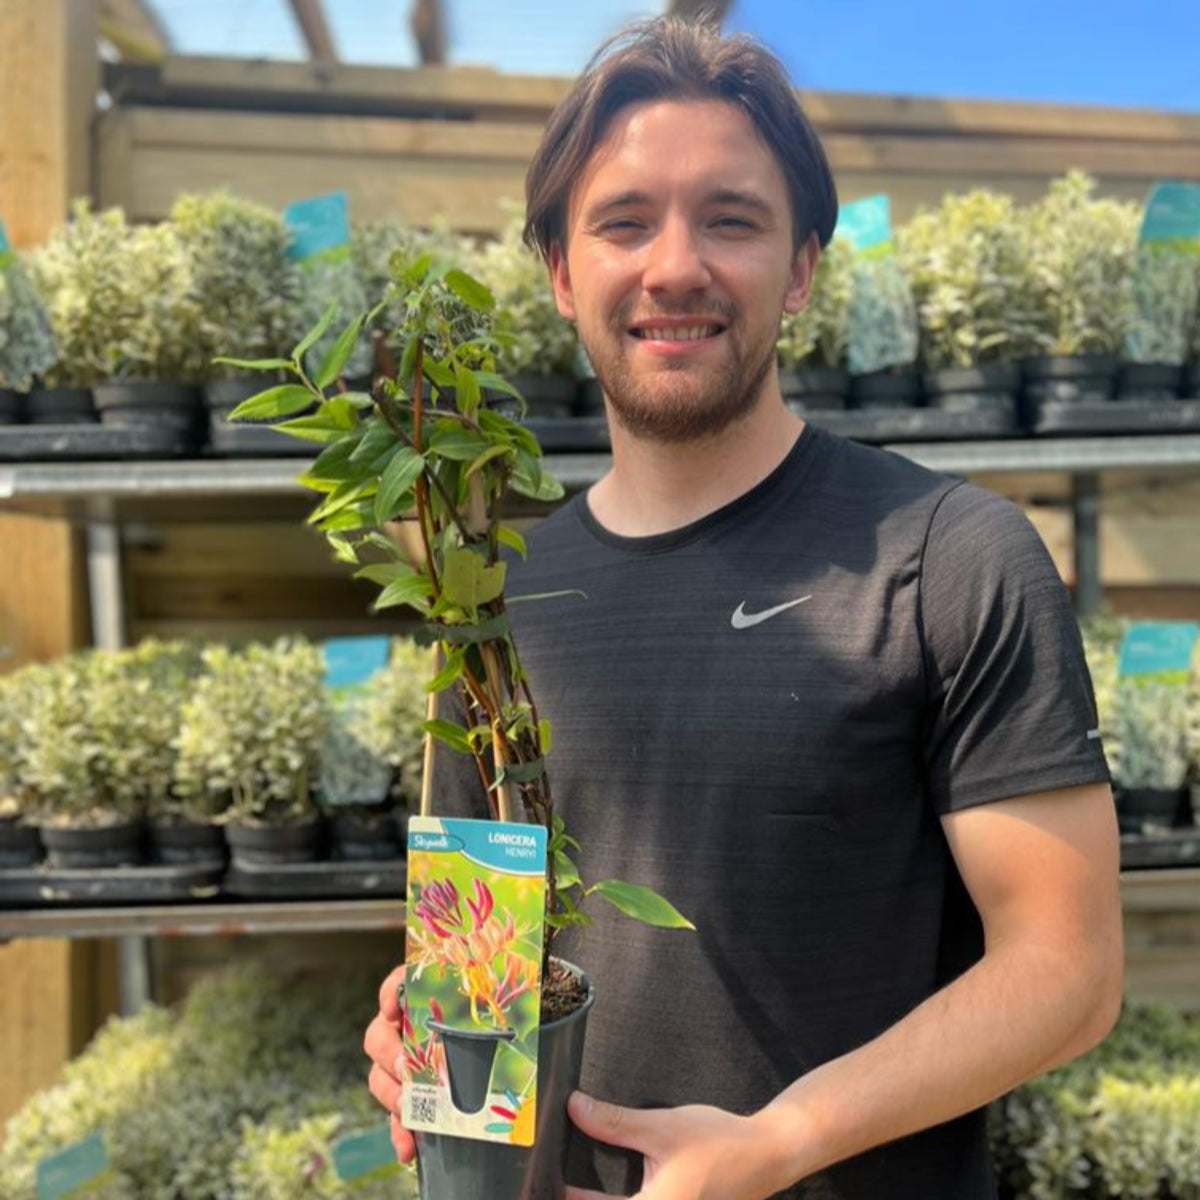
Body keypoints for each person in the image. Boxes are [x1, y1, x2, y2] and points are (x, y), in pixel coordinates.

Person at [363, 17, 1122, 1199]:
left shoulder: (950, 559)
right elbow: (482, 946)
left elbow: (1068, 970)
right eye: (624, 222)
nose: (674, 266)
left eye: (731, 218)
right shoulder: (495, 608)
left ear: (803, 269)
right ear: (562, 275)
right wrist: (430, 1019)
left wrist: (783, 1140)